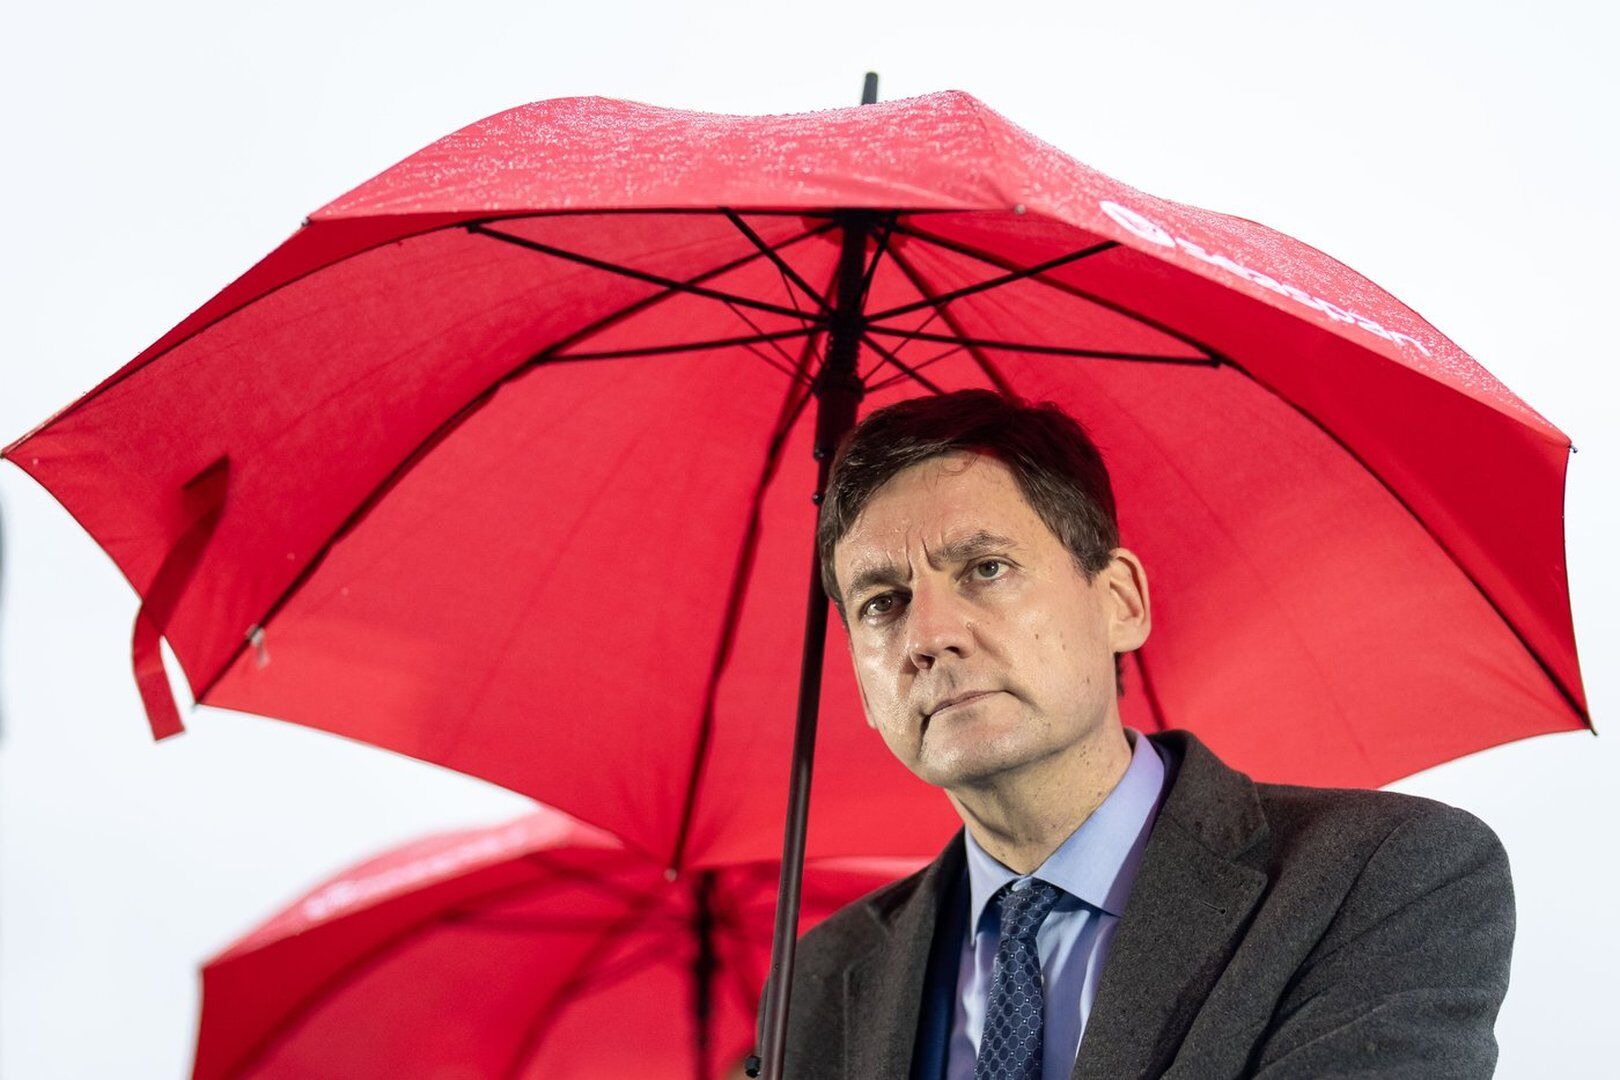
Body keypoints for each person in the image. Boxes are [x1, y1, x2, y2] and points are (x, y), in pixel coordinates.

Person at [782, 390, 1514, 1079]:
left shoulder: (1381, 878)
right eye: (883, 603)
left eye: (986, 568)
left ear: (1120, 601)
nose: (928, 636)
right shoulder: (817, 979)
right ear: (863, 686)